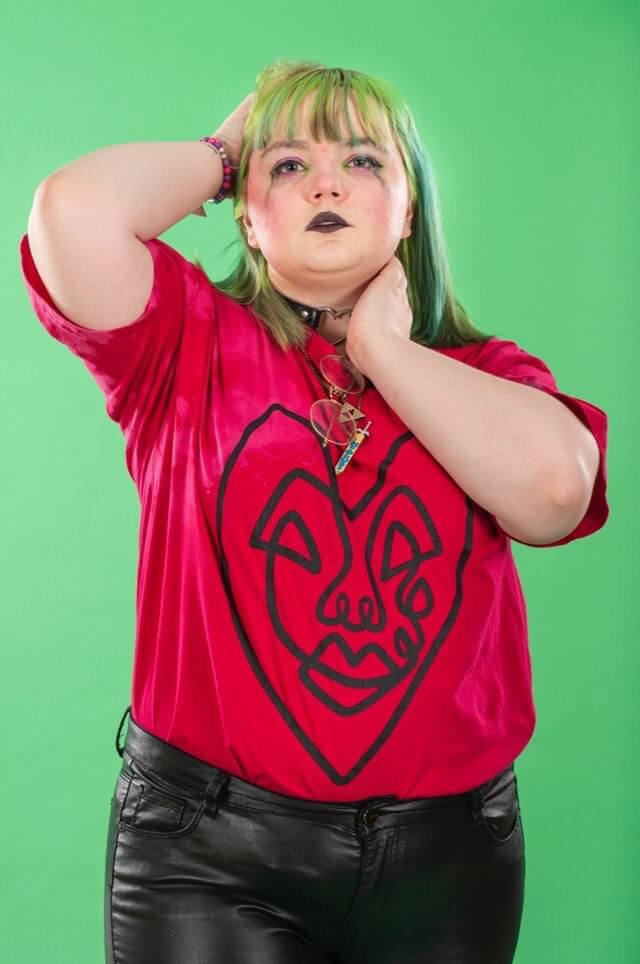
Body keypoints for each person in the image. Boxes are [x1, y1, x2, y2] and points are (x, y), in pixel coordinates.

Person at [19, 58, 609, 964]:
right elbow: (70, 212)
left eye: (364, 161)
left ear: (409, 212)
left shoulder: (487, 376)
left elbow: (554, 497)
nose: (326, 183)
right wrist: (227, 150)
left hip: (451, 858)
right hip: (206, 852)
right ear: (247, 216)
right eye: (289, 165)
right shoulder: (180, 340)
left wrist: (384, 347)